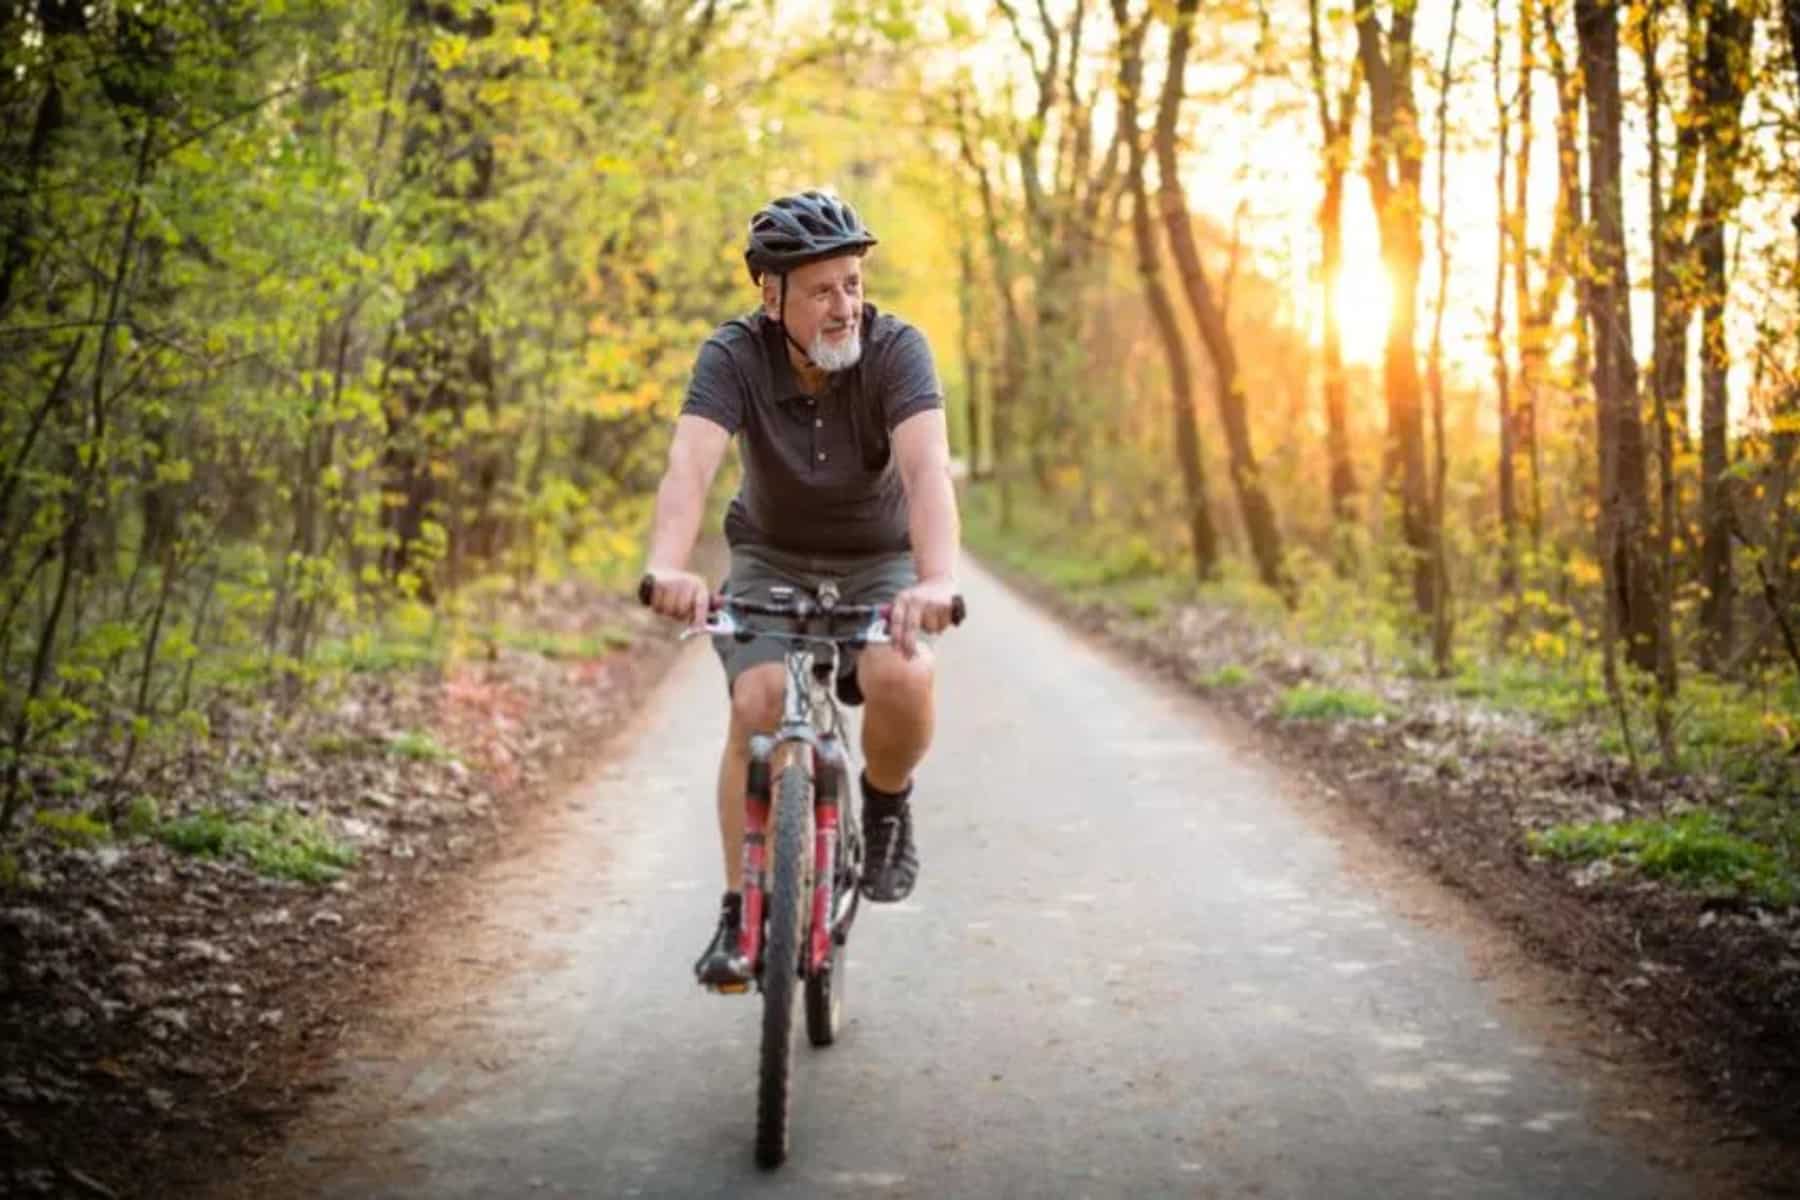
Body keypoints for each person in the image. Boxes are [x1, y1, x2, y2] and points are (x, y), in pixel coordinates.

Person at [639, 190, 962, 989]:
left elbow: (925, 472)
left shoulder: (897, 351)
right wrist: (668, 565)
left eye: (851, 283)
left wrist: (937, 579)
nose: (844, 304)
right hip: (772, 559)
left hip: (878, 559)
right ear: (770, 294)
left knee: (904, 675)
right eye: (822, 289)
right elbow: (691, 465)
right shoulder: (732, 356)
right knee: (756, 705)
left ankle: (885, 801)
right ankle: (737, 911)